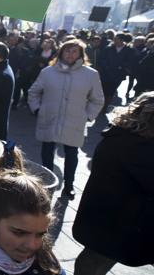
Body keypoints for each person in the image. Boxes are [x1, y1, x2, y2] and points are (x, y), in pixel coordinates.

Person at [72, 92, 154, 274]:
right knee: (94, 263)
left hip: (103, 218)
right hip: (120, 224)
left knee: (92, 261)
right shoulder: (142, 150)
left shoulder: (118, 135)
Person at [28, 39, 104, 200]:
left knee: (71, 154)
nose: (70, 54)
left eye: (74, 51)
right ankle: (47, 181)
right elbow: (34, 92)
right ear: (61, 52)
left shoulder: (90, 74)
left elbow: (97, 99)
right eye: (67, 51)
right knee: (47, 152)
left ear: (81, 54)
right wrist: (37, 109)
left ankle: (69, 185)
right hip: (50, 118)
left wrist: (88, 116)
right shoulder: (48, 72)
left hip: (74, 121)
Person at [98, 33, 134, 107]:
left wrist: (122, 68)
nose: (114, 41)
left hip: (118, 76)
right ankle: (99, 105)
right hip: (105, 74)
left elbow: (130, 62)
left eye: (116, 39)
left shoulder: (129, 50)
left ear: (122, 40)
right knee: (102, 90)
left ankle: (105, 106)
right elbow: (102, 59)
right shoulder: (108, 48)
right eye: (114, 39)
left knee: (111, 92)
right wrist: (106, 68)